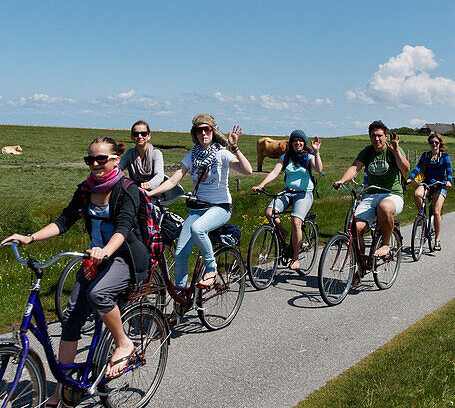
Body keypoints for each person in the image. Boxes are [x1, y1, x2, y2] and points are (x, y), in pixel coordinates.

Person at [0, 136, 148, 408]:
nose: (94, 164)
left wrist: (105, 251)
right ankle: (61, 389)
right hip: (94, 256)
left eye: (101, 159)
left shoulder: (127, 190)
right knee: (70, 319)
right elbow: (64, 221)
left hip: (124, 257)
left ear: (116, 160)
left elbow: (124, 228)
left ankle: (124, 342)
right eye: (89, 160)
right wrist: (29, 238)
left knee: (99, 294)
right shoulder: (85, 190)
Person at [147, 114, 253, 288]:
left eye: (207, 129)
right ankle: (180, 303)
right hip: (198, 209)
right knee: (180, 255)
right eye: (199, 130)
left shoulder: (222, 154)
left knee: (198, 229)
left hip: (220, 207)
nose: (203, 133)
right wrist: (149, 194)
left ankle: (211, 268)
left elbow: (247, 171)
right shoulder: (192, 156)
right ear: (194, 133)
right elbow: (173, 180)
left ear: (213, 131)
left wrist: (235, 147)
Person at [333, 120, 410, 260]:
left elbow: (405, 168)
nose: (377, 139)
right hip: (371, 195)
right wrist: (342, 180)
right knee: (355, 229)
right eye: (373, 136)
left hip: (392, 195)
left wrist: (396, 151)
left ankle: (386, 244)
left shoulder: (393, 149)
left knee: (384, 208)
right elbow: (355, 168)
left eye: (380, 135)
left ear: (386, 136)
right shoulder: (367, 151)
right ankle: (359, 266)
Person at [251, 130, 323, 270]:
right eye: (294, 140)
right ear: (291, 143)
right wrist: (261, 185)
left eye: (300, 140)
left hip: (304, 193)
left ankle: (295, 258)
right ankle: (283, 232)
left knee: (296, 221)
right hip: (288, 192)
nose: (297, 143)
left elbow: (319, 168)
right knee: (269, 212)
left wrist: (317, 152)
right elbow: (274, 172)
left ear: (304, 143)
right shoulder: (285, 157)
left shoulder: (309, 157)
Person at [405, 132, 453, 251]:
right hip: (428, 183)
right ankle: (421, 216)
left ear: (439, 143)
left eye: (436, 142)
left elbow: (448, 169)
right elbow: (418, 167)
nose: (434, 144)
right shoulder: (426, 155)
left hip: (440, 184)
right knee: (417, 194)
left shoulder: (444, 156)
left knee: (437, 212)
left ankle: (437, 239)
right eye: (431, 143)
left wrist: (449, 180)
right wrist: (411, 178)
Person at [119, 120, 183, 202]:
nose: (139, 136)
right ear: (132, 137)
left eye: (143, 134)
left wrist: (149, 184)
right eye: (136, 134)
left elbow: (159, 176)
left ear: (148, 136)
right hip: (137, 189)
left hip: (155, 190)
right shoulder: (129, 153)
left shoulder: (155, 153)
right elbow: (119, 168)